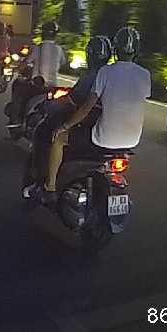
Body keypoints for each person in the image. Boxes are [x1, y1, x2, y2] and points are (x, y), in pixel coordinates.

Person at [41, 26, 150, 202]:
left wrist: (64, 126)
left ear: (115, 49)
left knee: (59, 138)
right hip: (132, 141)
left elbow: (86, 107)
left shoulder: (105, 72)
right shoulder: (145, 75)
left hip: (104, 139)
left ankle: (50, 186)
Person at [26, 35, 111, 195]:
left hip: (87, 128)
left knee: (51, 133)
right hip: (109, 132)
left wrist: (49, 106)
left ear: (90, 55)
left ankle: (49, 185)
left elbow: (71, 102)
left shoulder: (91, 78)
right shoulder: (113, 76)